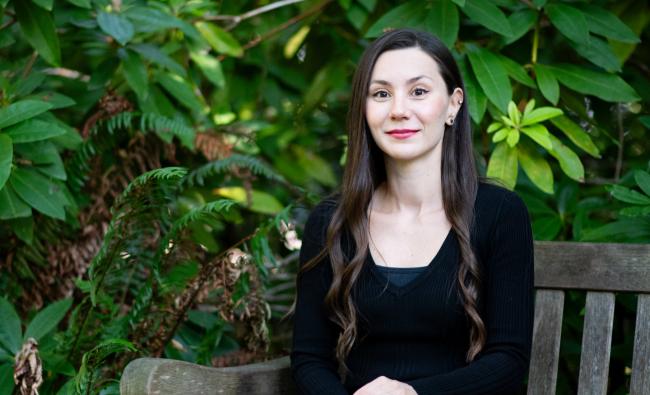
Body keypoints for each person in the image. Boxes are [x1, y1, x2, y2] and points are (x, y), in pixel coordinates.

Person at [290, 28, 534, 395]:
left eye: (418, 91)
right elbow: (309, 360)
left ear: (453, 104)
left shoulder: (500, 214)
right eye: (381, 94)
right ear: (364, 108)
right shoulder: (332, 222)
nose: (399, 110)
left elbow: (508, 360)